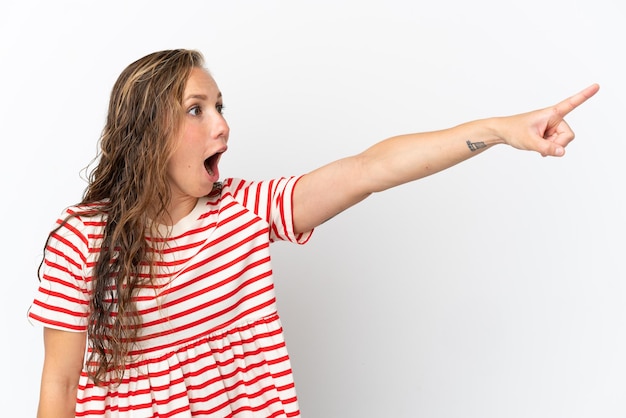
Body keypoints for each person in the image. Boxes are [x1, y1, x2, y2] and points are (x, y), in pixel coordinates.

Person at [28, 48, 599, 418]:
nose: (223, 124)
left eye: (220, 106)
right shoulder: (84, 238)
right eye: (196, 109)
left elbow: (370, 168)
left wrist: (498, 130)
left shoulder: (245, 211)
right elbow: (58, 384)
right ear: (145, 129)